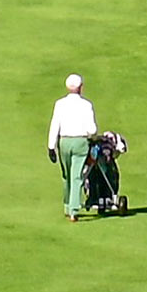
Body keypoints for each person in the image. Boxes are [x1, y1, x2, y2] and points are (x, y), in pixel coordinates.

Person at [47, 73, 97, 222]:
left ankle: (68, 205)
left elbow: (55, 125)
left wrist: (51, 146)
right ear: (80, 87)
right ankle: (73, 210)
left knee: (66, 175)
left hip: (64, 142)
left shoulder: (60, 104)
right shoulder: (86, 105)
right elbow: (92, 129)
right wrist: (93, 137)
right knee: (77, 176)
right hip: (80, 142)